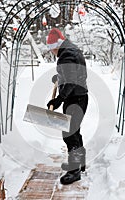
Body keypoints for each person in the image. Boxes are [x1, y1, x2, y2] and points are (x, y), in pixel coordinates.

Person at [46, 28, 89, 185]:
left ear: (56, 46)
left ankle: (74, 170)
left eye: (52, 50)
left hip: (75, 98)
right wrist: (59, 77)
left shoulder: (66, 55)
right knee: (74, 131)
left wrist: (58, 99)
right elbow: (72, 73)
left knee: (69, 133)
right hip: (79, 97)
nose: (52, 53)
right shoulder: (70, 49)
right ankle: (80, 163)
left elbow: (71, 81)